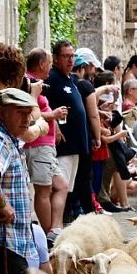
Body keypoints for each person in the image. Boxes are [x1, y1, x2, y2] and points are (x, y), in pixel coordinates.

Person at [0, 88, 41, 274]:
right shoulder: (0, 141)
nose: (26, 119)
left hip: (13, 242)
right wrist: (1, 205)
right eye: (20, 113)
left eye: (28, 113)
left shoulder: (11, 140)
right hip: (3, 242)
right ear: (2, 113)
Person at [43, 40, 92, 223]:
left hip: (76, 145)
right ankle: (55, 226)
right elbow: (43, 104)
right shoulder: (52, 79)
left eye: (72, 56)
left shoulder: (69, 79)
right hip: (63, 145)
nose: (70, 60)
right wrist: (54, 124)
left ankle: (61, 224)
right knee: (59, 188)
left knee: (68, 190)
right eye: (65, 56)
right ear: (56, 58)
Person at [24, 48, 69, 238]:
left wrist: (55, 124)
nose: (51, 68)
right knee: (44, 189)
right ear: (42, 64)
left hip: (46, 144)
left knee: (61, 185)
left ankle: (54, 229)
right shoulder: (27, 83)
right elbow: (28, 112)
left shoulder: (37, 83)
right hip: (38, 144)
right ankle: (48, 233)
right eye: (49, 63)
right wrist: (54, 115)